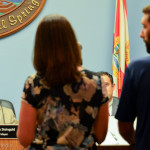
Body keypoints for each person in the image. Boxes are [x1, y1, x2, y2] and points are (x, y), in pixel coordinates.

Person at [17, 14, 109, 150]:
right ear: (71, 42)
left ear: (40, 47)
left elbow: (24, 138)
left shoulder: (34, 83)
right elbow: (101, 137)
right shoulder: (96, 82)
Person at [115, 4, 150, 150]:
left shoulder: (139, 70)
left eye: (145, 27)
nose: (141, 34)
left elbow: (124, 126)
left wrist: (138, 142)